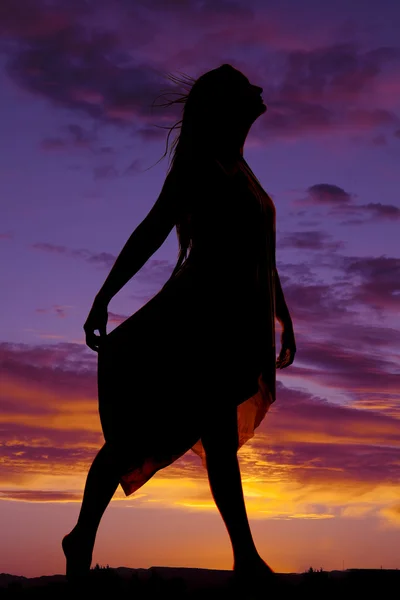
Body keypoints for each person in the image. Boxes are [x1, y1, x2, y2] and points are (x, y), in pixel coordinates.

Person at [62, 64, 296, 589]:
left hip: (236, 323)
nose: (259, 89)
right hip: (197, 320)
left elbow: (262, 254)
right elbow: (150, 231)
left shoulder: (243, 170)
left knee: (210, 435)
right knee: (143, 436)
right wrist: (104, 297)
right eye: (245, 87)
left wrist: (282, 313)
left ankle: (240, 556)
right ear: (227, 105)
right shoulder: (198, 167)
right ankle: (245, 558)